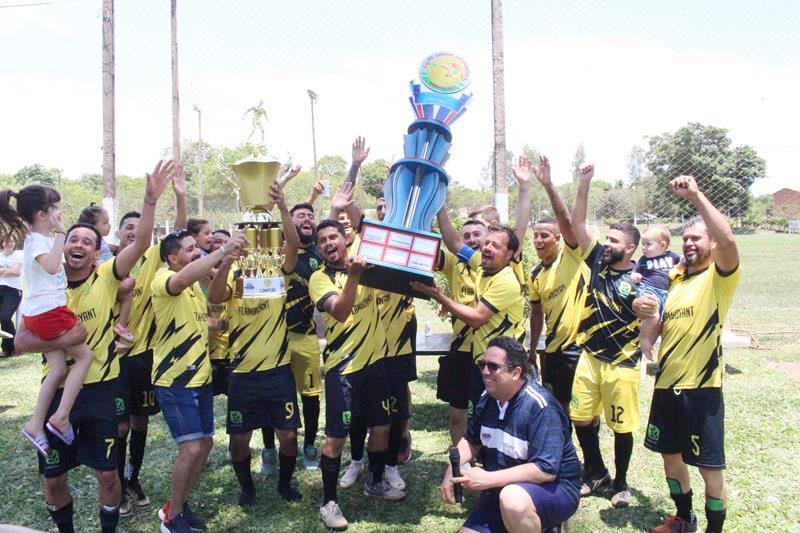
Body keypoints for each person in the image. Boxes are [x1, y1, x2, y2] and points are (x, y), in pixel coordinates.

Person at [13, 159, 176, 533]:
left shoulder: (107, 276)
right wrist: (65, 338)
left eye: (89, 241)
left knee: (108, 477)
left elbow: (141, 243)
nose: (80, 244)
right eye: (74, 238)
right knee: (53, 480)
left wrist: (150, 203)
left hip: (102, 390)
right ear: (64, 245)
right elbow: (21, 341)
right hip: (55, 389)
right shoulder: (42, 286)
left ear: (96, 252)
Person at [636, 176, 740, 533]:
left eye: (697, 237)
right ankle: (684, 519)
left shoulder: (720, 277)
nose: (690, 243)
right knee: (670, 459)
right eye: (687, 238)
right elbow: (656, 328)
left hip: (702, 390)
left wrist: (696, 197)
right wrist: (646, 318)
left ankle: (714, 530)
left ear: (710, 242)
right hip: (667, 387)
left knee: (710, 469)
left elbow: (727, 239)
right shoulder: (675, 280)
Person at [422, 154, 531, 445]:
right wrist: (438, 199)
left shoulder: (508, 270)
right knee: (470, 412)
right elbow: (452, 241)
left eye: (484, 238)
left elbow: (518, 231)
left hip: (503, 358)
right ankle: (467, 462)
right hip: (469, 352)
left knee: (506, 417)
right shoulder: (477, 262)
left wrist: (524, 188)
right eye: (471, 237)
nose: (478, 243)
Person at [209, 182, 303, 507]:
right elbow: (214, 296)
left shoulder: (279, 267)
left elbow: (294, 244)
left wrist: (284, 208)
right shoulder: (233, 268)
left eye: (262, 232)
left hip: (278, 371)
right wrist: (225, 260)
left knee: (288, 436)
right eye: (249, 232)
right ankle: (246, 487)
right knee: (238, 441)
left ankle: (285, 483)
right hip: (243, 374)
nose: (256, 237)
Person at [152, 223, 246, 532]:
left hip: (201, 378)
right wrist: (222, 250)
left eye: (198, 247)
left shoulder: (193, 285)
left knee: (204, 445)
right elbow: (180, 280)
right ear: (172, 257)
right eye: (190, 249)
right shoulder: (165, 278)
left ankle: (179, 505)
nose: (198, 252)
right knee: (191, 449)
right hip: (175, 380)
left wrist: (229, 262)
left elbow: (208, 312)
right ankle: (171, 518)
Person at [309, 219, 401, 531]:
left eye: (333, 236)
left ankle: (374, 481)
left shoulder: (364, 260)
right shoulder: (318, 279)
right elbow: (340, 311)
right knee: (335, 438)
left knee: (382, 428)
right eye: (321, 240)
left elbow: (390, 246)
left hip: (375, 364)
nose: (328, 243)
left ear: (345, 238)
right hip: (342, 370)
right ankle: (329, 503)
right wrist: (354, 277)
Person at [440, 336, 581, 533]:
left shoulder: (541, 407)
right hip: (500, 490)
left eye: (493, 367)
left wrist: (488, 479)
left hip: (554, 489)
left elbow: (545, 470)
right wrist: (451, 470)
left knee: (512, 499)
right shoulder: (487, 397)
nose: (485, 372)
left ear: (516, 373)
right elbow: (471, 441)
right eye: (482, 365)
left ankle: (549, 525)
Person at [0, 185, 94, 456]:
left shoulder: (35, 238)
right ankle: (61, 416)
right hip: (49, 311)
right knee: (84, 357)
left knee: (57, 370)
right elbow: (53, 266)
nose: (59, 213)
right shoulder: (40, 240)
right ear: (42, 213)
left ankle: (35, 423)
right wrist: (62, 234)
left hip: (40, 310)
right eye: (54, 209)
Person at [569, 163, 642, 508]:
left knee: (621, 426)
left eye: (614, 240)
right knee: (580, 417)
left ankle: (622, 483)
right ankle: (595, 471)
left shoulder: (644, 279)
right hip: (590, 356)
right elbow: (578, 224)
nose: (607, 243)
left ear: (630, 249)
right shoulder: (597, 260)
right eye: (607, 238)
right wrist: (584, 183)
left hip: (623, 363)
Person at [117, 168, 188, 517]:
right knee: (118, 425)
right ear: (118, 235)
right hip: (111, 360)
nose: (133, 232)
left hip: (143, 356)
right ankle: (117, 484)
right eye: (127, 228)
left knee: (140, 422)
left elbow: (179, 233)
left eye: (137, 228)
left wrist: (178, 195)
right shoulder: (105, 268)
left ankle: (132, 478)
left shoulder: (149, 260)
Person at [411, 224, 527, 423]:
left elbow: (477, 318)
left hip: (506, 368)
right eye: (487, 243)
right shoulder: (481, 265)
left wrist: (439, 297)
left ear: (509, 255)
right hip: (483, 364)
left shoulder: (506, 280)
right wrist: (439, 199)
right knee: (481, 425)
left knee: (506, 426)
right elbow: (455, 242)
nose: (487, 247)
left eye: (495, 246)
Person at [527, 155, 589, 414]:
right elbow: (537, 312)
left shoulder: (572, 256)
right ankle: (562, 453)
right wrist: (532, 349)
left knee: (583, 412)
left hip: (580, 347)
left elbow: (565, 218)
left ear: (558, 238)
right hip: (552, 350)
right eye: (535, 236)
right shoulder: (535, 275)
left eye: (545, 236)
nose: (539, 240)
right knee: (556, 408)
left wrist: (548, 186)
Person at [278, 201, 325, 472]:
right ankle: (272, 450)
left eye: (310, 215)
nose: (307, 219)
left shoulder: (320, 251)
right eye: (300, 216)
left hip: (306, 336)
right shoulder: (280, 251)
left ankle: (309, 445)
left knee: (310, 396)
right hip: (276, 338)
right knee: (276, 397)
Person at [78, 204, 134, 345]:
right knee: (127, 295)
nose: (109, 226)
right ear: (94, 226)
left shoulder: (100, 242)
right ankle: (121, 326)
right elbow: (103, 263)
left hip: (105, 280)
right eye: (105, 223)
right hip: (104, 280)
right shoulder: (96, 242)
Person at [630, 226, 681, 362]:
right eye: (643, 244)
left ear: (663, 245)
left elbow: (683, 262)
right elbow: (635, 272)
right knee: (653, 315)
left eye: (648, 244)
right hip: (648, 290)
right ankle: (644, 338)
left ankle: (648, 346)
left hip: (665, 293)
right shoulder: (643, 260)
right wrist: (635, 276)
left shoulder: (672, 257)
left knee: (660, 321)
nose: (644, 248)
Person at [0, 234, 23, 356]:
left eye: (13, 241)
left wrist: (2, 271)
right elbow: (11, 271)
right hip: (0, 288)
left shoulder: (18, 255)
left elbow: (15, 272)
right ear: (2, 242)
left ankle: (13, 346)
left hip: (13, 290)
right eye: (8, 241)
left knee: (4, 316)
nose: (10, 243)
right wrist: (7, 271)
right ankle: (8, 348)